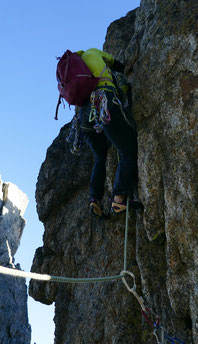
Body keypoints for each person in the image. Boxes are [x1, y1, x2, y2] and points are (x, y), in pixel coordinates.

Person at [74, 48, 140, 217]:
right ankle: (119, 201)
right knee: (127, 149)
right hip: (104, 102)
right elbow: (117, 64)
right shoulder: (93, 52)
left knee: (100, 157)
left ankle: (94, 199)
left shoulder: (77, 69)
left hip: (85, 117)